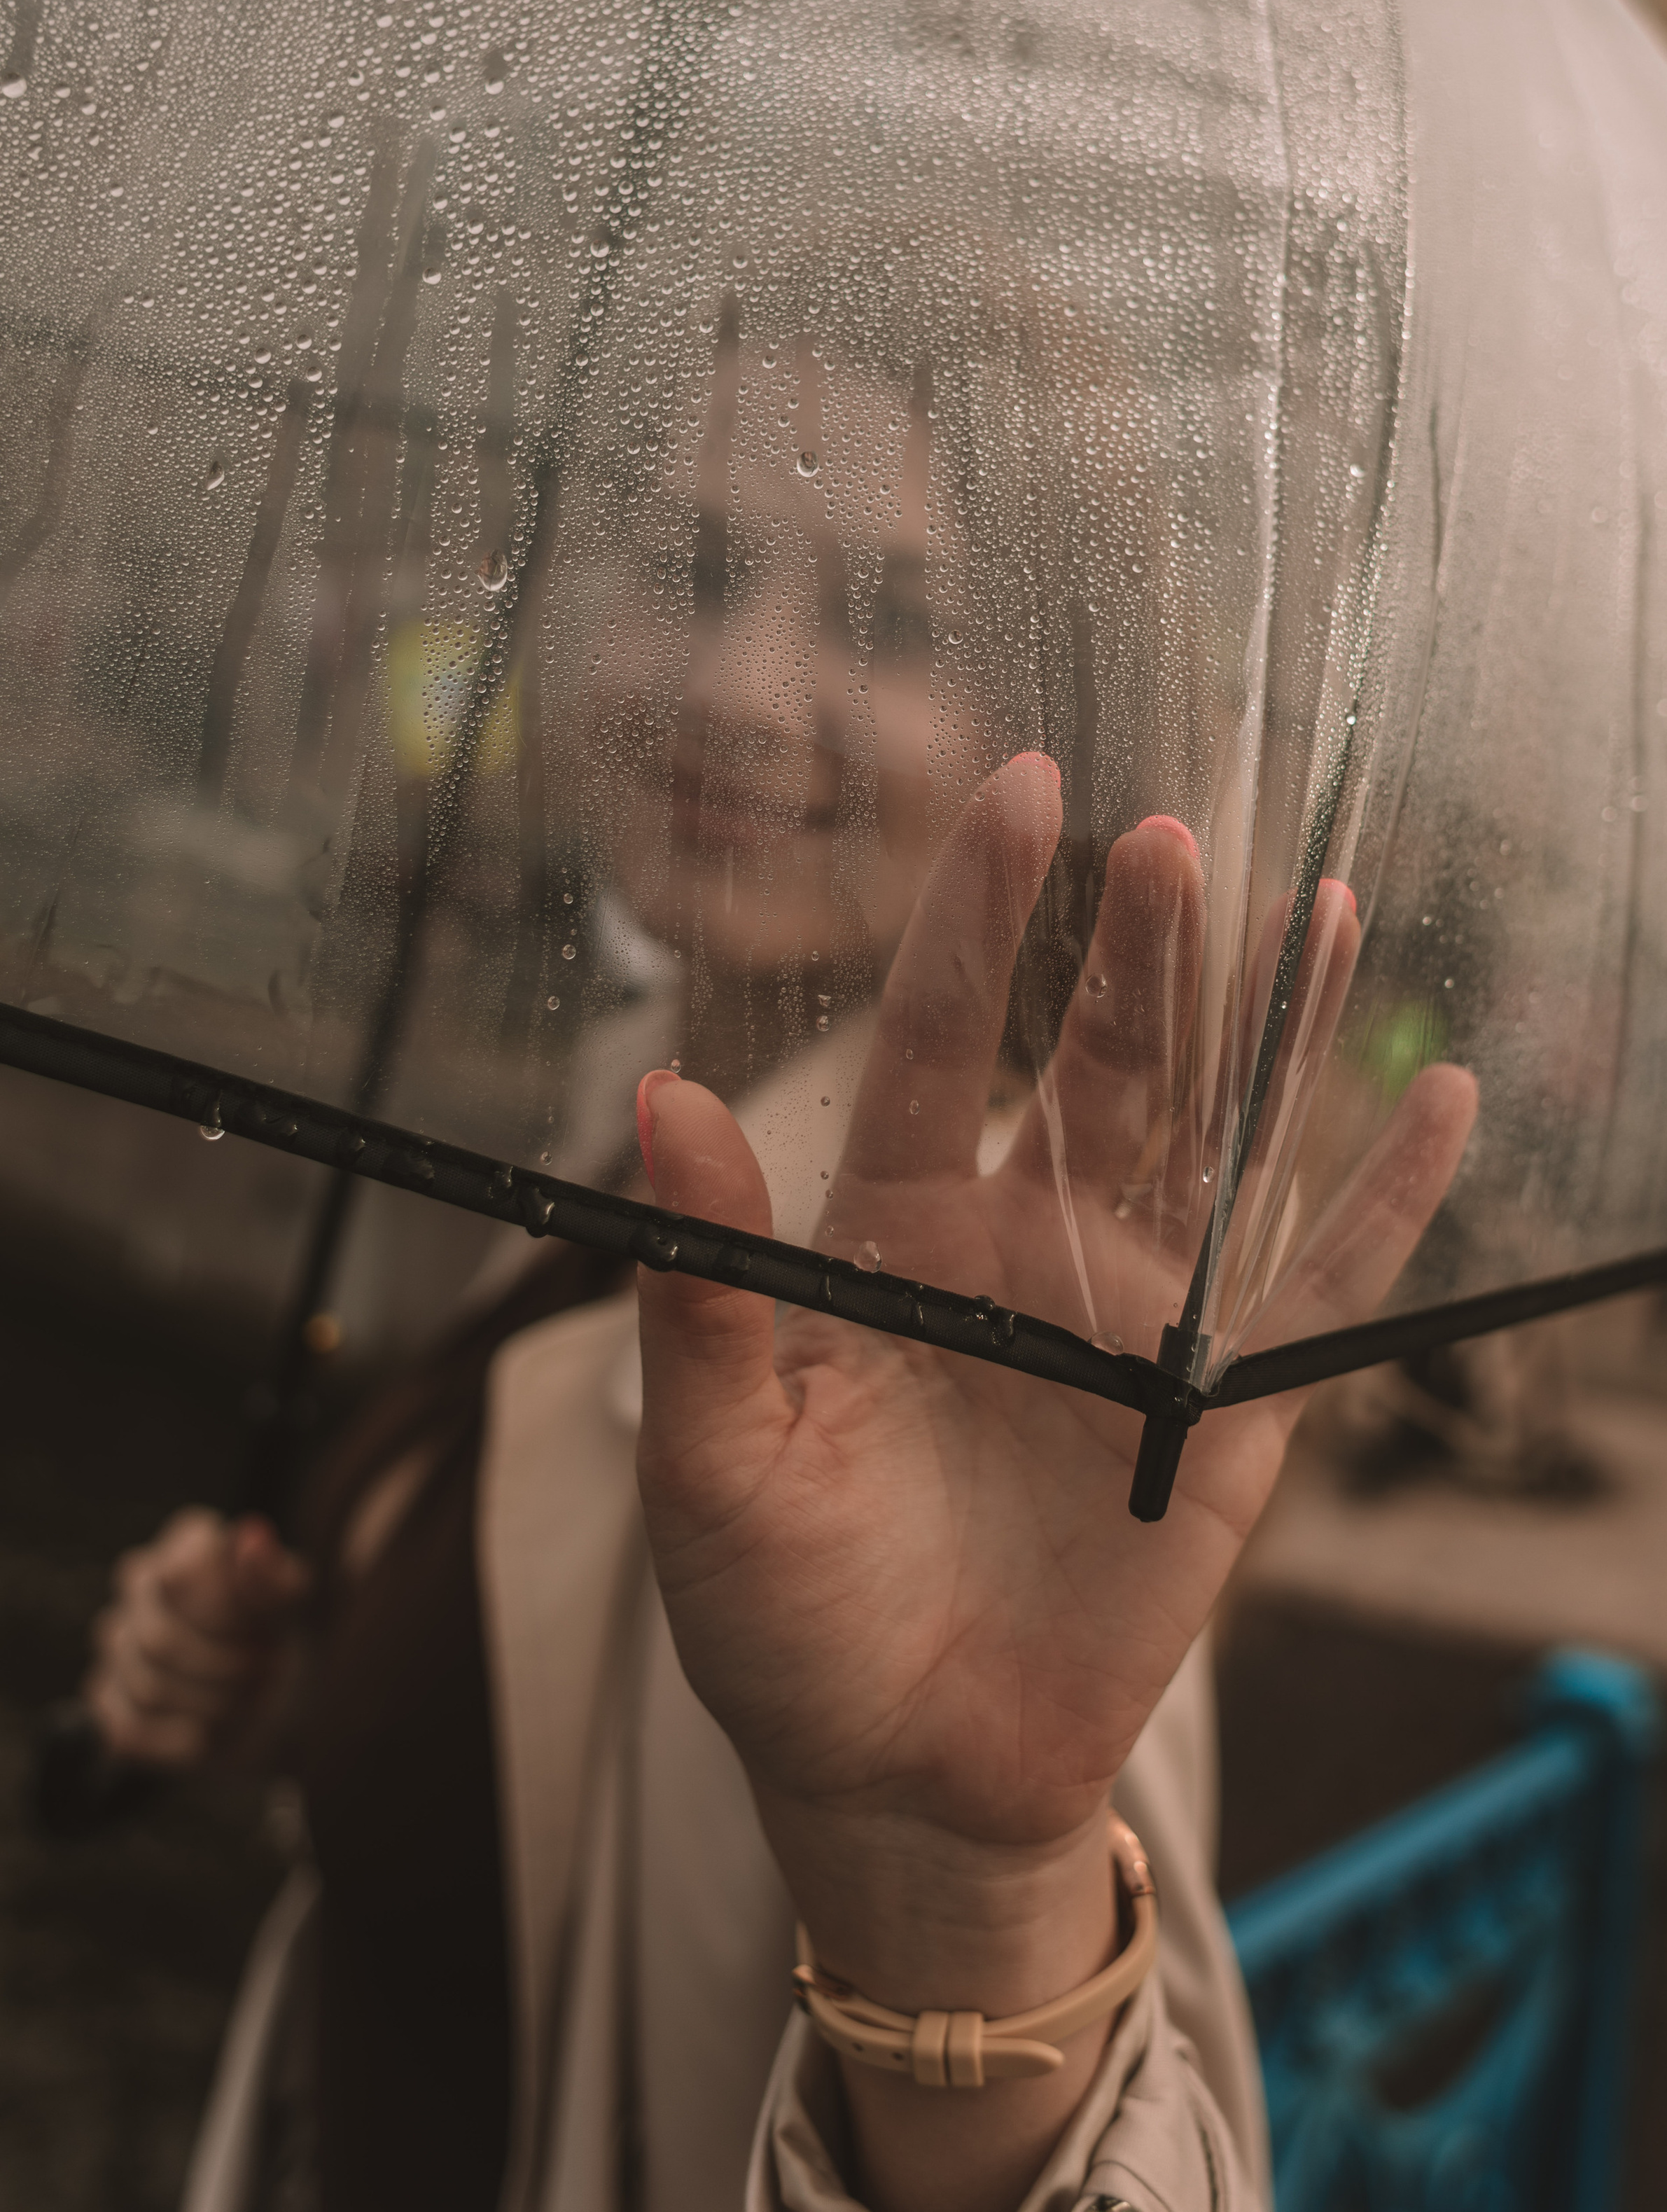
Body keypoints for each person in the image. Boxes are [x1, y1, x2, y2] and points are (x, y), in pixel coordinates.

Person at [83, 255, 1478, 2212]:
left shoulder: (991, 1329)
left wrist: (967, 1907)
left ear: (1052, 724)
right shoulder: (646, 1118)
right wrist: (317, 1671)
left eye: (893, 624)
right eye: (695, 565)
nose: (740, 689)